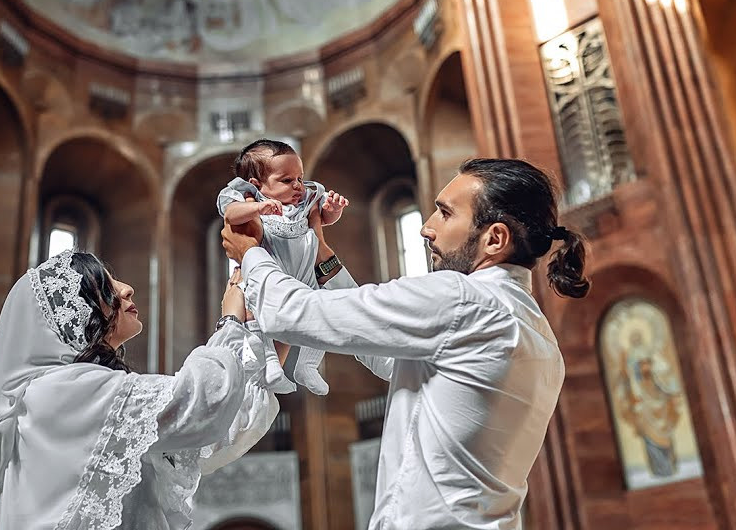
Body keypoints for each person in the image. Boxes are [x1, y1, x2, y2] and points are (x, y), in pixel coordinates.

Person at [221, 158, 590, 529]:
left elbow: (291, 313)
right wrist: (317, 248)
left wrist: (250, 253)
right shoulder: (537, 335)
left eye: (445, 214)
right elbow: (378, 351)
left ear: (494, 238)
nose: (426, 228)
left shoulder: (461, 299)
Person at [0, 249, 276, 530]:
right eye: (106, 285)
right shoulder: (62, 391)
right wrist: (230, 321)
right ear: (72, 314)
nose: (127, 289)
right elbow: (202, 402)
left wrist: (262, 326)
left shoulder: (76, 391)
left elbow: (215, 434)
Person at [217, 138, 349, 395]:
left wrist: (333, 210)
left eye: (300, 178)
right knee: (259, 315)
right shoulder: (246, 199)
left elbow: (324, 219)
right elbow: (231, 215)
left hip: (304, 274)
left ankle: (308, 365)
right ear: (257, 185)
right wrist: (257, 207)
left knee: (318, 312)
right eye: (287, 180)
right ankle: (270, 366)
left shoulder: (305, 200)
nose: (297, 185)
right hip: (268, 271)